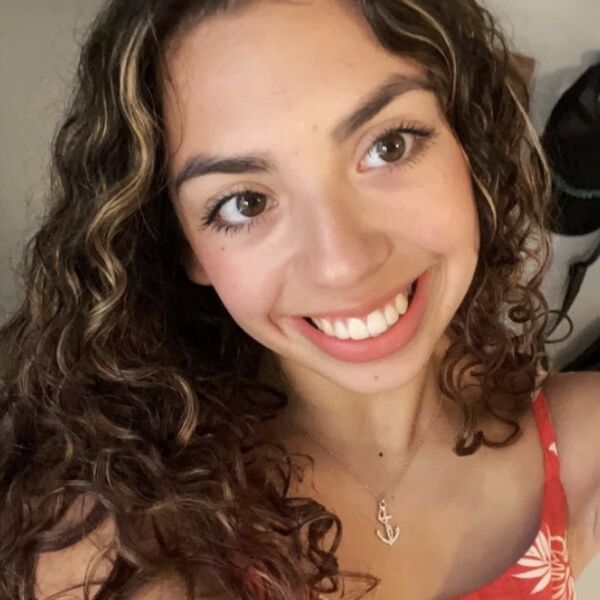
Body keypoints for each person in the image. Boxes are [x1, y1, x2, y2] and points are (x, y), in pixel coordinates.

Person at [1, 0, 598, 598]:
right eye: (246, 203)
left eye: (389, 146)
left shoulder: (583, 446)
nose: (343, 264)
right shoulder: (105, 549)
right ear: (185, 246)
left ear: (465, 141)